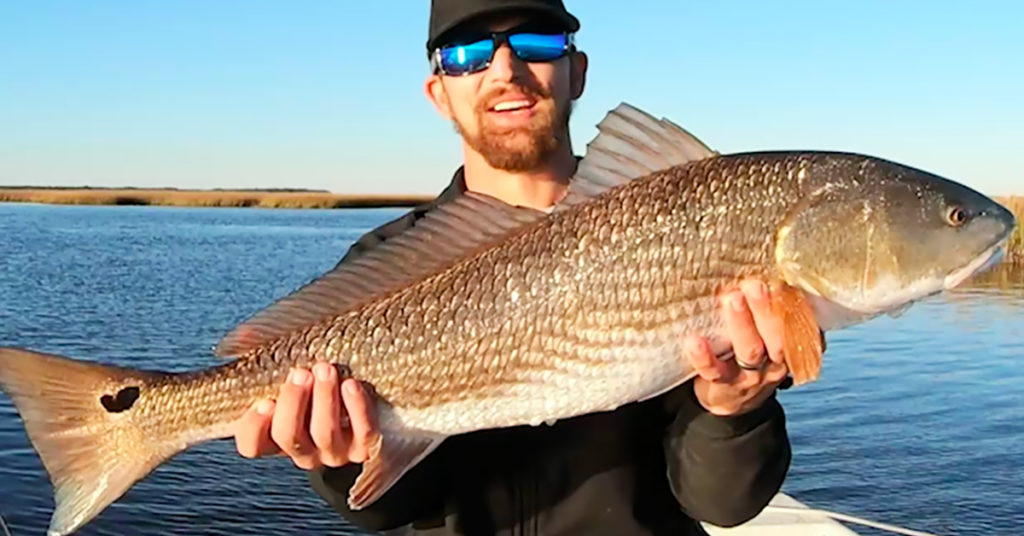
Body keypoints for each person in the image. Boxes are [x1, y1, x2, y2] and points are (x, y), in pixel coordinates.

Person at [233, 1, 801, 534]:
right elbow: (388, 512)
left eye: (536, 42)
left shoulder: (692, 235)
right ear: (438, 93)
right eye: (467, 54)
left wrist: (734, 410)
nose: (506, 69)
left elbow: (723, 505)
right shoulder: (384, 265)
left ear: (577, 72)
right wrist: (339, 459)